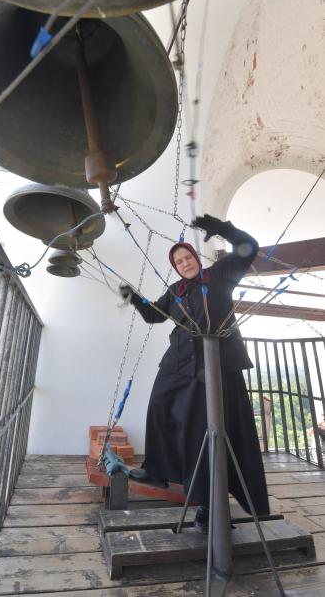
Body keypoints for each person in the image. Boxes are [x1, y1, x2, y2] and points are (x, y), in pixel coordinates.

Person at [119, 214, 270, 532]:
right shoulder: (176, 290)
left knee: (207, 433)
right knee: (160, 407)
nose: (184, 262)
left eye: (187, 257)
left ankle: (211, 507)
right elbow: (154, 316)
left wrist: (224, 229)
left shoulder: (221, 276)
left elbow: (249, 247)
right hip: (177, 364)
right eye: (179, 261)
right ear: (175, 267)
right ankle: (156, 470)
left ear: (196, 258)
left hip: (215, 365)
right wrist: (134, 298)